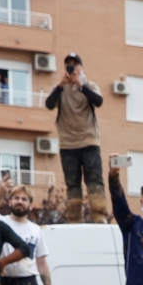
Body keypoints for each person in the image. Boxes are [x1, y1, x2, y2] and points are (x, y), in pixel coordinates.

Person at [44, 53, 105, 222]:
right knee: (72, 184)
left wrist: (80, 85)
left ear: (81, 68)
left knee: (94, 180)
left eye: (75, 65)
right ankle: (74, 217)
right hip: (67, 144)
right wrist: (60, 85)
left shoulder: (90, 85)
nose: (72, 68)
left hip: (89, 141)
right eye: (68, 65)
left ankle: (99, 215)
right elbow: (49, 105)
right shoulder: (59, 88)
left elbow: (99, 101)